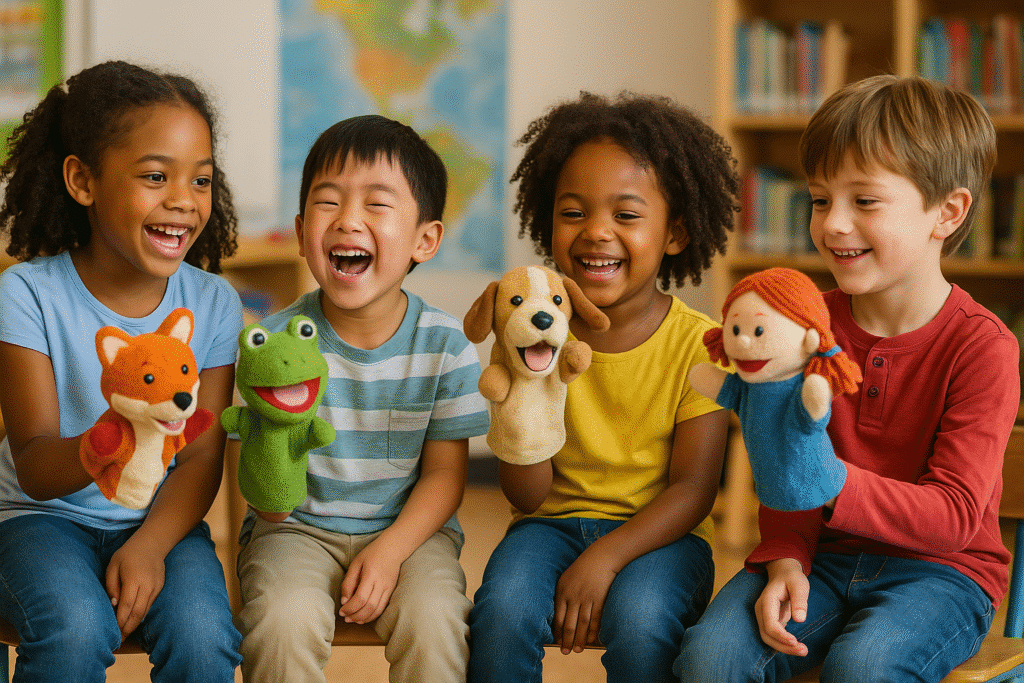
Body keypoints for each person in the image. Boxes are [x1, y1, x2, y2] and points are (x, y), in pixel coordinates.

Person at [675, 74, 1021, 683]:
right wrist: (785, 557)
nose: (833, 223)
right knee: (710, 659)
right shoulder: (802, 326)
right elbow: (784, 463)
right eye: (819, 200)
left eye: (864, 201)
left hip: (945, 573)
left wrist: (829, 482)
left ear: (947, 212)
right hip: (821, 560)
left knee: (864, 667)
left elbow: (954, 515)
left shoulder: (983, 346)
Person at [468, 91, 739, 683]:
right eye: (573, 213)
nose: (596, 232)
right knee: (501, 613)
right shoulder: (531, 336)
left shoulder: (701, 345)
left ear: (675, 233)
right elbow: (526, 497)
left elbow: (694, 489)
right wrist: (524, 403)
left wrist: (605, 557)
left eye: (626, 215)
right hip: (547, 526)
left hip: (664, 537)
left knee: (642, 621)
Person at [0, 60, 243, 682]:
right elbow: (34, 465)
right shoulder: (27, 294)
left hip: (161, 520)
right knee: (75, 630)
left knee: (205, 636)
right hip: (38, 519)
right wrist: (115, 437)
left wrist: (150, 545)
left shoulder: (213, 303)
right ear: (83, 181)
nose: (183, 201)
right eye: (156, 176)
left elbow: (200, 455)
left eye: (201, 180)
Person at [235, 114, 490, 683]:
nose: (348, 220)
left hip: (412, 532)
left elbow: (444, 477)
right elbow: (264, 493)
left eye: (377, 204)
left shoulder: (446, 345)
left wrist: (391, 550)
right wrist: (271, 494)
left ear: (425, 239)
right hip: (294, 530)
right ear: (301, 231)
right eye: (328, 202)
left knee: (436, 621)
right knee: (281, 623)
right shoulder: (272, 346)